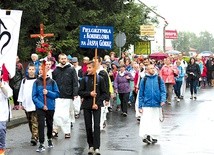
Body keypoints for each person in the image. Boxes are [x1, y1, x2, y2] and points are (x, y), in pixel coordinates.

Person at [78, 61, 108, 155]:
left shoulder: (100, 79)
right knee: (88, 126)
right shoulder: (84, 79)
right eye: (87, 68)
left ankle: (97, 147)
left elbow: (104, 93)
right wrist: (89, 94)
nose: (88, 69)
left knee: (96, 126)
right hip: (87, 105)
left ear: (95, 68)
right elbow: (80, 92)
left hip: (96, 106)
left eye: (90, 68)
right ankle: (90, 145)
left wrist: (98, 103)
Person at [32, 65, 59, 152]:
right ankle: (41, 143)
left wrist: (48, 93)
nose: (40, 71)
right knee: (41, 124)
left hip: (50, 107)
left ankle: (49, 138)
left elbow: (57, 94)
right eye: (39, 69)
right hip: (40, 107)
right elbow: (34, 96)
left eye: (42, 69)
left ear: (47, 70)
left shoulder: (52, 82)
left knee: (50, 124)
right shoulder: (36, 82)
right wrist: (41, 105)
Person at [52, 53, 78, 138]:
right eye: (62, 59)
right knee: (56, 115)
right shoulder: (55, 70)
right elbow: (53, 83)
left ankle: (67, 132)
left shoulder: (71, 69)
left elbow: (75, 82)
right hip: (58, 96)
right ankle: (55, 130)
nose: (63, 60)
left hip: (68, 95)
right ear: (59, 60)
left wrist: (75, 94)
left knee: (66, 116)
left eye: (65, 58)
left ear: (67, 59)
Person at [138, 64, 166, 144]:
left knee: (154, 121)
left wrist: (163, 99)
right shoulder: (144, 79)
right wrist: (140, 106)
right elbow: (141, 93)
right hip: (146, 104)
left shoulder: (158, 78)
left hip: (156, 104)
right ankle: (146, 135)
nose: (152, 70)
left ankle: (153, 136)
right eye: (150, 68)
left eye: (153, 68)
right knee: (146, 121)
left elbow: (163, 90)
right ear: (147, 70)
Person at [17, 63, 38, 146]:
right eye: (30, 69)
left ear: (35, 70)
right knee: (29, 121)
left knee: (35, 120)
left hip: (35, 104)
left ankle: (35, 137)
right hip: (26, 103)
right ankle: (33, 134)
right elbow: (21, 91)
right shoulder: (24, 80)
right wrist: (20, 103)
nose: (31, 71)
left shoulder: (37, 80)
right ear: (27, 70)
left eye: (33, 69)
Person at [0, 69, 13, 155]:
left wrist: (1, 86)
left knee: (1, 129)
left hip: (1, 112)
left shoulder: (5, 85)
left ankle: (1, 148)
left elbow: (9, 94)